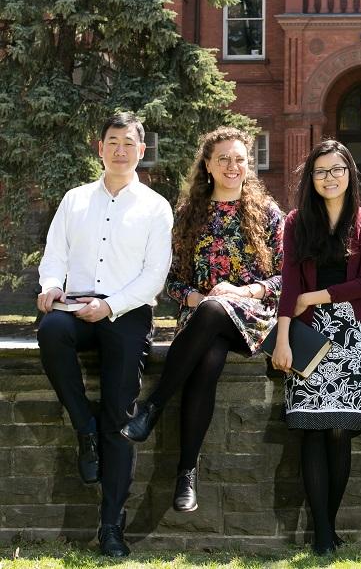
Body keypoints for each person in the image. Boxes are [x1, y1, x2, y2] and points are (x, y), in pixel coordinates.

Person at [121, 127, 283, 514]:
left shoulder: (268, 214)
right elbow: (172, 279)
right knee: (208, 358)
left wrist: (244, 292)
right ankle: (186, 473)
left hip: (253, 315)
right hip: (200, 318)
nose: (232, 165)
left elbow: (284, 276)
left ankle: (153, 406)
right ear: (207, 165)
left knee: (214, 310)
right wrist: (194, 296)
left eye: (240, 158)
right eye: (223, 158)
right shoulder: (188, 216)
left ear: (249, 165)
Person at [36, 112, 173, 557]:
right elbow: (55, 253)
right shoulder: (74, 199)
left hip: (126, 311)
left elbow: (154, 276)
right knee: (51, 329)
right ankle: (83, 427)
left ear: (141, 150)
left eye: (128, 143)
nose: (120, 150)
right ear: (100, 148)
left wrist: (110, 306)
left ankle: (111, 527)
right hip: (74, 305)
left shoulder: (155, 207)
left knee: (119, 416)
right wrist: (51, 286)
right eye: (112, 142)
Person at [271, 140, 361, 556]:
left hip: (354, 337)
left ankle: (328, 526)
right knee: (310, 433)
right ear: (311, 178)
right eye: (321, 171)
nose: (329, 177)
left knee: (339, 433)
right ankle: (323, 534)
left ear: (350, 174)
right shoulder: (296, 222)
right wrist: (282, 337)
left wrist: (314, 297)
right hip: (307, 337)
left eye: (337, 169)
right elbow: (289, 284)